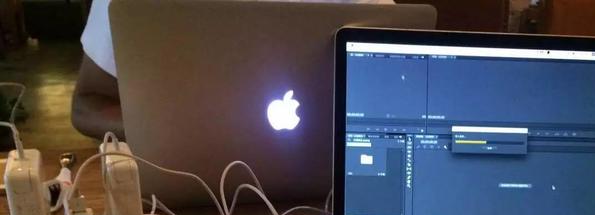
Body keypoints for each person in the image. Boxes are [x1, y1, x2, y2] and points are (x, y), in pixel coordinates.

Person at [72, 0, 394, 140]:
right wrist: (168, 136)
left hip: (318, 208)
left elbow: (399, 57)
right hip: (178, 209)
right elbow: (88, 106)